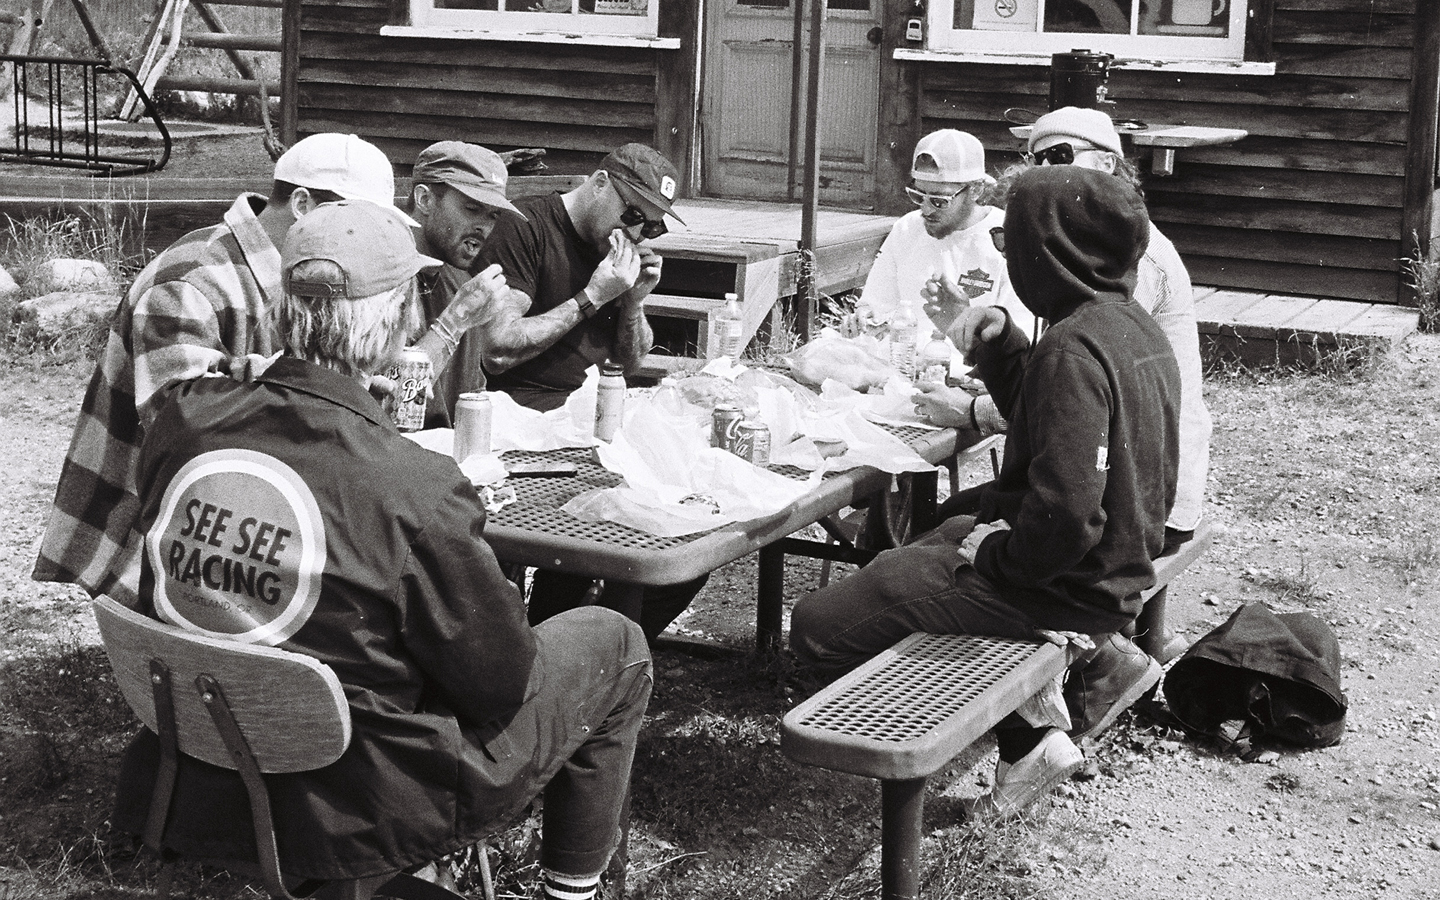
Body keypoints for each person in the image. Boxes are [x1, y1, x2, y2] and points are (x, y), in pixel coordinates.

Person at [112, 201, 652, 900]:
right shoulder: (412, 483)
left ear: (281, 311)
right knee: (614, 641)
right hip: (359, 800)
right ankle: (572, 889)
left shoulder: (185, 421)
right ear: (398, 322)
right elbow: (500, 686)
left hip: (195, 762)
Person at [790, 166, 1180, 818]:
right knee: (932, 537)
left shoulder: (1074, 350)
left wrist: (995, 556)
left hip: (1065, 586)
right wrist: (1005, 349)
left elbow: (1065, 513)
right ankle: (1029, 735)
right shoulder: (1128, 326)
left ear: (1049, 252)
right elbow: (1057, 424)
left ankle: (1013, 723)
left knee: (817, 629)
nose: (1006, 254)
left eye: (1014, 243)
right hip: (1112, 566)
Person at [32, 132, 422, 606]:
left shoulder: (302, 281)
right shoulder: (192, 278)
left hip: (225, 526)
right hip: (143, 537)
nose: (362, 237)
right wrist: (306, 392)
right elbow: (180, 427)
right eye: (351, 219)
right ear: (301, 204)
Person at [918, 107, 1212, 556]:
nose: (1045, 171)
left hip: (1142, 506)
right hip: (1115, 484)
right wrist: (997, 337)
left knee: (945, 530)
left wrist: (973, 412)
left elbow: (1078, 405)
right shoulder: (1088, 249)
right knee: (948, 517)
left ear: (1108, 165)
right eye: (1035, 160)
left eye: (1059, 154)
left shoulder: (1134, 261)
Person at [472, 142, 705, 642]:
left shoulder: (616, 257)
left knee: (685, 531)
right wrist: (593, 295)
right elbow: (497, 347)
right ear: (599, 184)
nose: (639, 231)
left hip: (593, 418)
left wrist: (632, 302)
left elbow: (635, 359)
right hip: (522, 422)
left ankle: (584, 642)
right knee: (599, 530)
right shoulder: (528, 228)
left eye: (654, 224)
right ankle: (560, 645)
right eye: (634, 213)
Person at [851, 128, 1035, 363]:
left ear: (976, 190)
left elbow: (1021, 336)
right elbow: (876, 305)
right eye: (919, 196)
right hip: (900, 367)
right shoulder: (907, 228)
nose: (926, 210)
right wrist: (864, 319)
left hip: (975, 377)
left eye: (940, 201)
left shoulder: (1005, 235)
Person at [403, 141, 522, 423]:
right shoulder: (381, 276)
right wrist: (454, 322)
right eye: (471, 208)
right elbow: (389, 402)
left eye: (493, 215)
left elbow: (472, 395)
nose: (484, 227)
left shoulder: (462, 284)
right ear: (425, 200)